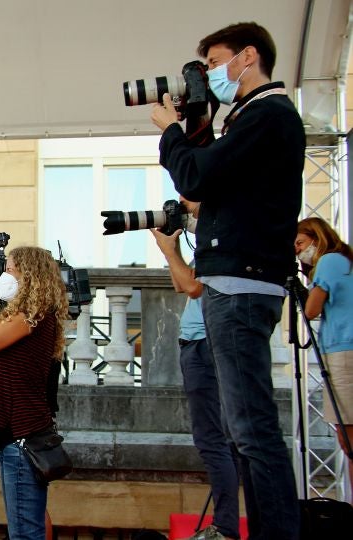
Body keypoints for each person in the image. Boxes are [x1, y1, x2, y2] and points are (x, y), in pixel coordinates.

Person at [150, 22, 303, 539]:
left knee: (252, 429)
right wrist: (196, 127)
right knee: (244, 432)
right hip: (235, 284)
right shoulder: (252, 121)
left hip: (240, 285)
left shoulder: (268, 116)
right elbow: (211, 176)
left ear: (247, 57)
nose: (212, 72)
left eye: (216, 62)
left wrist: (170, 132)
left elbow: (195, 176)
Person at [0, 246, 68, 540]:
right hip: (14, 437)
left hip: (22, 437)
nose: (4, 275)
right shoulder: (25, 318)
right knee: (23, 528)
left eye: (9, 269)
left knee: (24, 532)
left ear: (28, 274)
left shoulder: (28, 317)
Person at [151, 197, 241, 540]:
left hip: (206, 345)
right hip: (201, 344)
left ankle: (226, 527)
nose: (184, 207)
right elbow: (181, 285)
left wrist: (170, 251)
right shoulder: (214, 239)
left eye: (190, 200)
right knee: (223, 441)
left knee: (213, 441)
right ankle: (227, 523)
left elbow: (192, 286)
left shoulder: (220, 235)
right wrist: (169, 251)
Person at [295, 217, 353, 493]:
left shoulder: (329, 261)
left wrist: (301, 285)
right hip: (341, 349)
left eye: (300, 243)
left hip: (343, 353)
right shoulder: (343, 261)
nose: (297, 250)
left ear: (316, 238)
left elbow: (311, 309)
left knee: (349, 438)